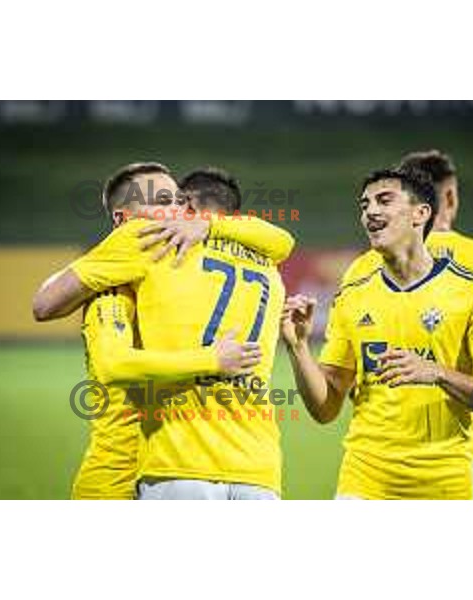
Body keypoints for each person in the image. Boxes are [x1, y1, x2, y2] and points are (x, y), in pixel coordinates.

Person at [34, 166, 294, 499]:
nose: (177, 209)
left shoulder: (178, 256)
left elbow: (282, 241)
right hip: (114, 481)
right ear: (122, 219)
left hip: (171, 467)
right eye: (161, 200)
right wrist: (211, 360)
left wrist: (209, 223)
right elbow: (46, 306)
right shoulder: (128, 264)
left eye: (178, 199)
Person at [281, 166, 473, 499]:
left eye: (384, 200)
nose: (370, 212)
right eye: (364, 205)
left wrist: (436, 372)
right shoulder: (352, 295)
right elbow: (326, 408)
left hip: (448, 485)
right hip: (364, 483)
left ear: (421, 213)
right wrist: (299, 348)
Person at [341, 150, 473, 498]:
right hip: (461, 455)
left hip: (373, 462)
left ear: (419, 205)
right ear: (449, 196)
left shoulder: (364, 267)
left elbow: (347, 373)